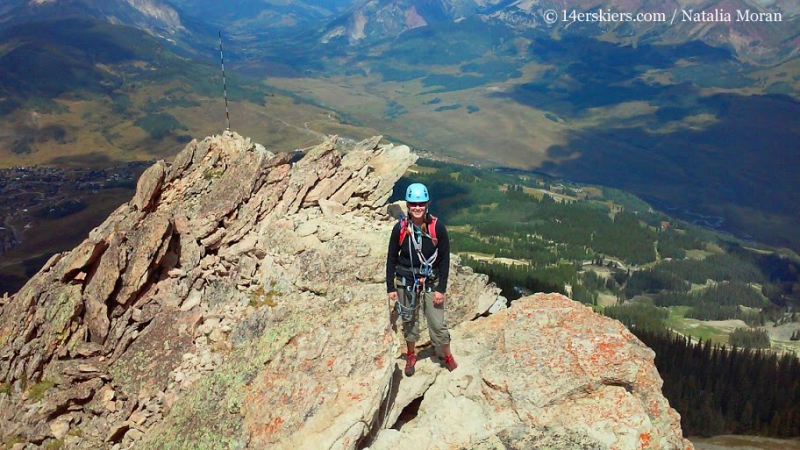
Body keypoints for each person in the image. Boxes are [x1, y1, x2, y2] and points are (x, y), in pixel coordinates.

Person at [386, 182, 457, 376]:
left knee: (436, 322)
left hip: (431, 281)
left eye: (421, 204)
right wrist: (390, 287)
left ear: (427, 204)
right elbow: (391, 257)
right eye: (413, 204)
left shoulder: (437, 228)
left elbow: (444, 259)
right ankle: (411, 355)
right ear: (408, 205)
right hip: (405, 280)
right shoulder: (400, 229)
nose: (417, 208)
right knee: (409, 320)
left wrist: (441, 289)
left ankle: (447, 355)